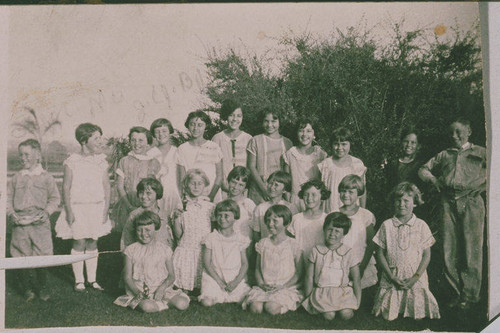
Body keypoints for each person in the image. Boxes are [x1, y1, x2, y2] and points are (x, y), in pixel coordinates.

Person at [418, 118, 486, 310]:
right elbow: (423, 169)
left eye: (459, 132)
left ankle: (471, 295)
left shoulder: (481, 152)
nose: (454, 136)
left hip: (471, 203)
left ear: (469, 131)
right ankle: (455, 293)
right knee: (449, 248)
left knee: (472, 249)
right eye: (451, 133)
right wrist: (433, 180)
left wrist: (483, 185)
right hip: (447, 201)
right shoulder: (444, 155)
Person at [55, 123, 112, 292]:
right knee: (79, 241)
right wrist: (69, 211)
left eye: (100, 138)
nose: (99, 141)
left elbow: (107, 186)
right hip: (78, 207)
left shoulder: (100, 160)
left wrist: (106, 208)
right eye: (96, 138)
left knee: (93, 241)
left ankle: (92, 280)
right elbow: (65, 187)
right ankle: (79, 280)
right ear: (83, 140)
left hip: (96, 207)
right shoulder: (72, 161)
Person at [372, 182, 440, 321]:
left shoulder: (421, 225)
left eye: (406, 200)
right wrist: (391, 277)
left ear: (415, 203)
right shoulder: (387, 225)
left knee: (418, 316)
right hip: (393, 276)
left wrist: (415, 277)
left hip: (414, 276)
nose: (401, 204)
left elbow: (427, 255)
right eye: (398, 200)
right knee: (388, 316)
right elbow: (380, 253)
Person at [7, 139, 60, 301]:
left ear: (37, 155)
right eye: (20, 155)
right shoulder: (16, 178)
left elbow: (55, 198)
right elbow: (7, 199)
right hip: (20, 223)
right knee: (20, 256)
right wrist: (11, 214)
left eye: (27, 154)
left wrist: (47, 212)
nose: (23, 158)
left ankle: (43, 287)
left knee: (42, 255)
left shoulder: (46, 177)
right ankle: (27, 289)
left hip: (39, 223)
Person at [114, 210, 190, 312]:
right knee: (148, 307)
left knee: (182, 304)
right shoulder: (131, 250)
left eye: (147, 230)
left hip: (161, 290)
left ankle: (161, 302)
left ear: (155, 229)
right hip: (140, 291)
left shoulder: (165, 249)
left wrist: (162, 288)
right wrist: (138, 293)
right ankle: (153, 304)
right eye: (139, 230)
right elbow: (127, 278)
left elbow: (172, 275)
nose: (143, 234)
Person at [242, 205, 303, 315]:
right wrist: (261, 284)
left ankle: (288, 304)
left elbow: (298, 273)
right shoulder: (263, 243)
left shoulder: (293, 244)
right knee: (255, 308)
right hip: (265, 286)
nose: (270, 224)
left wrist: (283, 286)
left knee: (271, 308)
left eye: (275, 221)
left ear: (286, 223)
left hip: (284, 287)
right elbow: (257, 269)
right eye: (268, 220)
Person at [302, 212, 361, 321]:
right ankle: (327, 312)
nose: (332, 233)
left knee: (346, 314)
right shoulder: (316, 250)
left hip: (342, 293)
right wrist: (308, 297)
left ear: (344, 234)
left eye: (337, 231)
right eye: (330, 229)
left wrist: (357, 300)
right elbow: (309, 277)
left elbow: (357, 279)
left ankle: (342, 309)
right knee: (329, 316)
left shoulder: (349, 252)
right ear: (324, 229)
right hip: (322, 292)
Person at [199, 200, 251, 306]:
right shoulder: (211, 238)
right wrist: (219, 282)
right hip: (215, 278)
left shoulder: (240, 239)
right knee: (207, 302)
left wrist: (236, 282)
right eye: (219, 215)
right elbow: (207, 263)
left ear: (235, 217)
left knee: (248, 299)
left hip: (234, 277)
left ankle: (235, 293)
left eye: (226, 216)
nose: (222, 219)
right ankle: (218, 293)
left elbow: (245, 264)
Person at [172, 169, 215, 294]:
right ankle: (184, 289)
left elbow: (213, 230)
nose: (196, 186)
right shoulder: (181, 207)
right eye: (193, 183)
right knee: (182, 289)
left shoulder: (210, 207)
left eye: (200, 183)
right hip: (186, 248)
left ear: (205, 186)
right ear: (186, 185)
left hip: (203, 248)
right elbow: (178, 234)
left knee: (204, 287)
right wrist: (176, 219)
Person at [112, 126, 161, 232]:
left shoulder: (154, 163)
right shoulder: (124, 161)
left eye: (140, 140)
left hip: (148, 207)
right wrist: (129, 207)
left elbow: (157, 189)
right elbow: (120, 187)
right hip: (127, 205)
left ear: (148, 143)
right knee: (128, 233)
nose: (136, 143)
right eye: (133, 140)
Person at [338, 174, 378, 289]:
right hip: (340, 264)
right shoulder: (334, 213)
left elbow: (371, 244)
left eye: (351, 192)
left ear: (359, 194)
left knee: (361, 298)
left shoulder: (365, 215)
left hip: (361, 262)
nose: (346, 195)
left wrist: (361, 267)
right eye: (343, 191)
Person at [247, 109, 293, 205]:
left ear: (280, 122)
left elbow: (287, 169)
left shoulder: (287, 143)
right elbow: (251, 166)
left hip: (279, 191)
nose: (269, 125)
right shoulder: (255, 140)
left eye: (273, 121)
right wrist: (263, 188)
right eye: (266, 121)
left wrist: (284, 190)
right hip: (259, 189)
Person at [177, 111, 223, 202]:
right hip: (191, 197)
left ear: (205, 126)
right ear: (188, 126)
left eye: (200, 125)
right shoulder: (182, 149)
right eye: (192, 124)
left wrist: (211, 197)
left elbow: (219, 176)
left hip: (212, 195)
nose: (195, 128)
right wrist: (188, 198)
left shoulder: (214, 147)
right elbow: (182, 178)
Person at [318, 127, 366, 213]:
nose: (340, 148)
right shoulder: (326, 164)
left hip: (352, 209)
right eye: (336, 144)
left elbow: (362, 190)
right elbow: (320, 190)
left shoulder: (357, 164)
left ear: (350, 144)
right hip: (331, 207)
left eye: (344, 144)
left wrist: (363, 210)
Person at [283, 120, 327, 211]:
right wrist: (288, 199)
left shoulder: (320, 154)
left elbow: (323, 180)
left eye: (308, 131)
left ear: (314, 134)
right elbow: (286, 181)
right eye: (301, 130)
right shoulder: (290, 154)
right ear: (296, 133)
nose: (304, 134)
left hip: (314, 200)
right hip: (295, 200)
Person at [212, 99, 252, 197]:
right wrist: (222, 183)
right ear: (226, 116)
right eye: (231, 115)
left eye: (239, 116)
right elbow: (214, 166)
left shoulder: (249, 138)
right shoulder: (217, 138)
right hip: (223, 188)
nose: (235, 119)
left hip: (243, 189)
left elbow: (250, 166)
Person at [120, 177, 174, 251]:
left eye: (148, 193)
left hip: (161, 257)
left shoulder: (164, 214)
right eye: (141, 193)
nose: (144, 196)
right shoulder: (134, 215)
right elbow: (126, 241)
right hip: (141, 257)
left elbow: (170, 239)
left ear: (157, 194)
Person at [287, 180, 330, 261]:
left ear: (322, 197)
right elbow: (290, 244)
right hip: (298, 262)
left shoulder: (326, 219)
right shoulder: (296, 219)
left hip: (320, 262)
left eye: (314, 195)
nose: (309, 198)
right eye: (306, 195)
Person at [250, 171, 297, 242]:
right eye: (270, 183)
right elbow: (256, 234)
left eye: (276, 185)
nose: (272, 187)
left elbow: (294, 233)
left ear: (284, 190)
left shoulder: (291, 208)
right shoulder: (260, 208)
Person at [149, 118, 182, 218]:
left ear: (170, 132)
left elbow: (181, 176)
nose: (161, 134)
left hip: (175, 194)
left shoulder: (177, 152)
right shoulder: (150, 153)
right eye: (157, 132)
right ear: (154, 135)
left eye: (164, 131)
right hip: (157, 197)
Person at [226, 166, 256, 239]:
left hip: (244, 243)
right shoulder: (223, 203)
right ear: (228, 181)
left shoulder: (248, 204)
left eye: (241, 185)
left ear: (245, 188)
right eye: (233, 182)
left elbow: (256, 227)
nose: (236, 187)